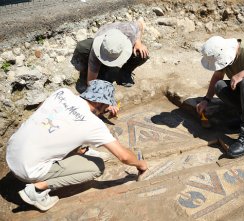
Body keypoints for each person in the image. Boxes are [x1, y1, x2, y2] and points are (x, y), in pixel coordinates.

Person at [6, 79, 148, 211]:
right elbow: (123, 157)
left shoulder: (62, 93)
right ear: (101, 103)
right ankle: (37, 190)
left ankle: (70, 156)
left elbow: (45, 113)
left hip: (12, 151)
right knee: (97, 166)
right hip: (26, 171)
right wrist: (140, 164)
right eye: (106, 105)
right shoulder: (93, 124)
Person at [75, 18, 149, 88]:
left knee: (142, 54)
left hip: (123, 33)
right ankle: (102, 69)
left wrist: (138, 42)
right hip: (103, 39)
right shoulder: (97, 47)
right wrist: (92, 89)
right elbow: (92, 73)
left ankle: (124, 73)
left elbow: (140, 24)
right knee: (83, 47)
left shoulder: (129, 31)